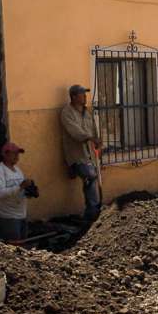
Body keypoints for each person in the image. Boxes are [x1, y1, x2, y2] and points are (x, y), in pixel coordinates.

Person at [60, 84, 102, 222]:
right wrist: (89, 137)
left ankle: (93, 211)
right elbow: (75, 132)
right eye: (82, 94)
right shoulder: (67, 112)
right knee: (90, 176)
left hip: (90, 153)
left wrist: (96, 140)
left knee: (91, 178)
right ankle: (93, 211)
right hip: (76, 155)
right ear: (73, 96)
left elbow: (93, 130)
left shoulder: (87, 112)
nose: (85, 97)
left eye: (85, 94)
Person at [0, 142, 35, 241]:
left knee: (21, 244)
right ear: (5, 154)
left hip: (21, 215)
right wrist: (20, 186)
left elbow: (20, 190)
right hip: (7, 216)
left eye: (18, 153)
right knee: (13, 245)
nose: (17, 156)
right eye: (13, 153)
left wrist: (29, 192)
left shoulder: (18, 170)